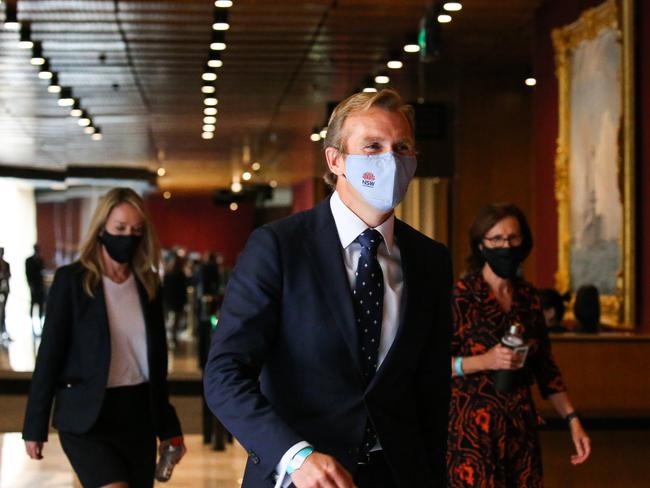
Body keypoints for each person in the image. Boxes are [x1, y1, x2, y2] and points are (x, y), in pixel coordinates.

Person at [204, 89, 452, 488]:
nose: (391, 160)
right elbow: (225, 374)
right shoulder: (279, 247)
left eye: (402, 147)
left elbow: (432, 389)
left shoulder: (430, 260)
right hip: (301, 475)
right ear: (335, 159)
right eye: (373, 146)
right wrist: (295, 456)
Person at [22, 187, 185, 487]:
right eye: (119, 228)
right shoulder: (72, 281)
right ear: (101, 229)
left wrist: (169, 426)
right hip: (88, 417)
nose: (128, 237)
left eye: (136, 230)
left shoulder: (147, 285)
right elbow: (50, 355)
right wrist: (35, 425)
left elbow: (156, 364)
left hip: (137, 416)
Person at [447, 203, 591, 487]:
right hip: (471, 433)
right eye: (497, 239)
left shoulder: (529, 298)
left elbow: (546, 368)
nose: (506, 246)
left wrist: (573, 419)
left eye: (513, 238)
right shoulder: (459, 296)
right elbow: (430, 365)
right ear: (480, 245)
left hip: (520, 429)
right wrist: (484, 361)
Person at [162, 253, 188, 348]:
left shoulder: (168, 274)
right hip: (177, 302)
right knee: (175, 322)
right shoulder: (181, 274)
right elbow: (183, 290)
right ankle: (173, 338)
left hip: (168, 301)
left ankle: (170, 338)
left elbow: (164, 289)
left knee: (169, 321)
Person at [25, 244, 46, 329]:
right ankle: (31, 322)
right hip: (34, 285)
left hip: (40, 285)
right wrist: (30, 284)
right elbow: (28, 273)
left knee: (40, 303)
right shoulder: (29, 260)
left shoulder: (40, 260)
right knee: (33, 303)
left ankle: (40, 321)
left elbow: (42, 271)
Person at [0, 247, 11, 343]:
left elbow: (9, 275)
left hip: (5, 289)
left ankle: (4, 330)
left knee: (4, 310)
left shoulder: (6, 264)